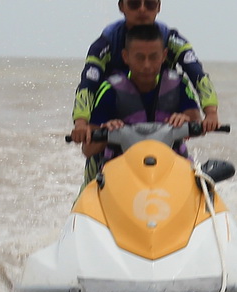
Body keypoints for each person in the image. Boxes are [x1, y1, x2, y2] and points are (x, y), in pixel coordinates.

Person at [70, 0, 219, 145]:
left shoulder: (173, 40)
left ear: (159, 6)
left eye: (149, 3)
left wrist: (211, 114)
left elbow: (197, 75)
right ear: (121, 6)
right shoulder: (106, 44)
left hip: (163, 119)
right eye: (134, 3)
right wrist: (81, 123)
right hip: (115, 122)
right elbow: (88, 83)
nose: (142, 9)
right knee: (98, 157)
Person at [80, 23, 201, 186]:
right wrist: (106, 130)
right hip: (121, 179)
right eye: (139, 57)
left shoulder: (178, 84)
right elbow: (88, 150)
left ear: (164, 56)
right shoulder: (110, 90)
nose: (147, 65)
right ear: (125, 57)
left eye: (153, 57)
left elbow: (197, 125)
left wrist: (185, 119)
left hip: (171, 175)